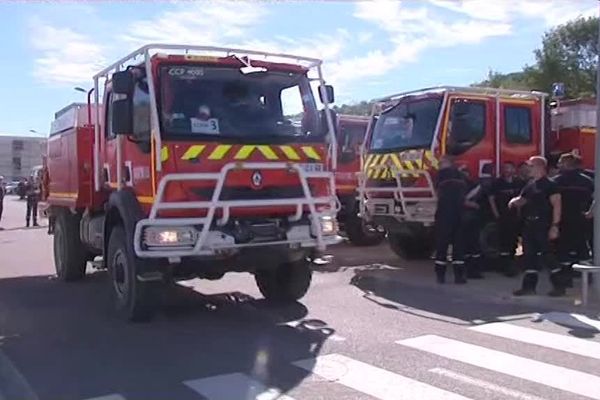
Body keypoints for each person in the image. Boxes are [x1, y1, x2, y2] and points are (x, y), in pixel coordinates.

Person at [509, 156, 563, 296]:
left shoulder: (550, 185)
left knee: (548, 256)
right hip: (530, 224)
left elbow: (557, 205)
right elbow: (523, 199)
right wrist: (514, 201)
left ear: (539, 167)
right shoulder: (530, 184)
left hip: (544, 224)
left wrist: (555, 226)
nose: (528, 168)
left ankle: (559, 286)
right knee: (529, 256)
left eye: (530, 166)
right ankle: (529, 287)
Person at [553, 153, 594, 288]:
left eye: (561, 161)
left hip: (564, 219)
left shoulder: (557, 181)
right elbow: (594, 198)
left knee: (563, 250)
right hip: (582, 219)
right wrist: (590, 213)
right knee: (582, 247)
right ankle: (587, 279)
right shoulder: (587, 181)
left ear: (568, 164)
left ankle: (566, 279)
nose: (559, 164)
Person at [434, 156, 468, 284]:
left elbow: (436, 191)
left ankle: (440, 276)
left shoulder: (441, 175)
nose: (439, 165)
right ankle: (459, 277)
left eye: (441, 162)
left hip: (444, 213)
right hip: (459, 213)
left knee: (442, 246)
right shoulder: (460, 175)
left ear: (447, 163)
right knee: (458, 246)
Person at [488, 161, 525, 276]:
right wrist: (496, 214)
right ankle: (504, 265)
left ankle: (512, 263)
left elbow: (523, 198)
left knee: (514, 241)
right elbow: (491, 199)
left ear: (514, 169)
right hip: (503, 216)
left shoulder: (519, 183)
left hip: (516, 216)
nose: (507, 170)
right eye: (505, 168)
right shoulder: (497, 183)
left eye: (510, 168)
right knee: (503, 241)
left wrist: (521, 213)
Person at [461, 168, 485, 279]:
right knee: (473, 245)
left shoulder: (461, 185)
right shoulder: (476, 185)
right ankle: (473, 271)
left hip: (466, 218)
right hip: (471, 217)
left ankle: (469, 269)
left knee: (468, 245)